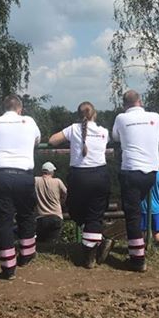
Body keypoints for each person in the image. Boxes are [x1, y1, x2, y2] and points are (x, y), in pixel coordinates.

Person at [0, 95, 41, 280]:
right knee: (27, 215)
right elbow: (37, 140)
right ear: (20, 109)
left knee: (3, 220)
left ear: (4, 108)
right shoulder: (29, 121)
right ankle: (27, 254)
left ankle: (8, 267)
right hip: (23, 175)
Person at [50, 101, 114, 268]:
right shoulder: (104, 131)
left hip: (79, 177)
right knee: (95, 215)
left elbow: (52, 141)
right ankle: (96, 246)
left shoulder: (73, 129)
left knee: (76, 211)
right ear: (95, 114)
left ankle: (91, 253)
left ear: (79, 115)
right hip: (100, 175)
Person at [112, 90, 159, 272]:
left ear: (124, 104)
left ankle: (137, 259)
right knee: (141, 209)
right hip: (151, 173)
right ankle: (143, 247)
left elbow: (115, 138)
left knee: (133, 215)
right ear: (140, 101)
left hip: (130, 171)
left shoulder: (121, 118)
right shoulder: (156, 117)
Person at [34, 162, 67, 243]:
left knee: (40, 244)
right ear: (51, 172)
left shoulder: (36, 180)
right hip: (56, 216)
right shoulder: (58, 181)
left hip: (40, 217)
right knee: (52, 243)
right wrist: (61, 202)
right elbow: (66, 193)